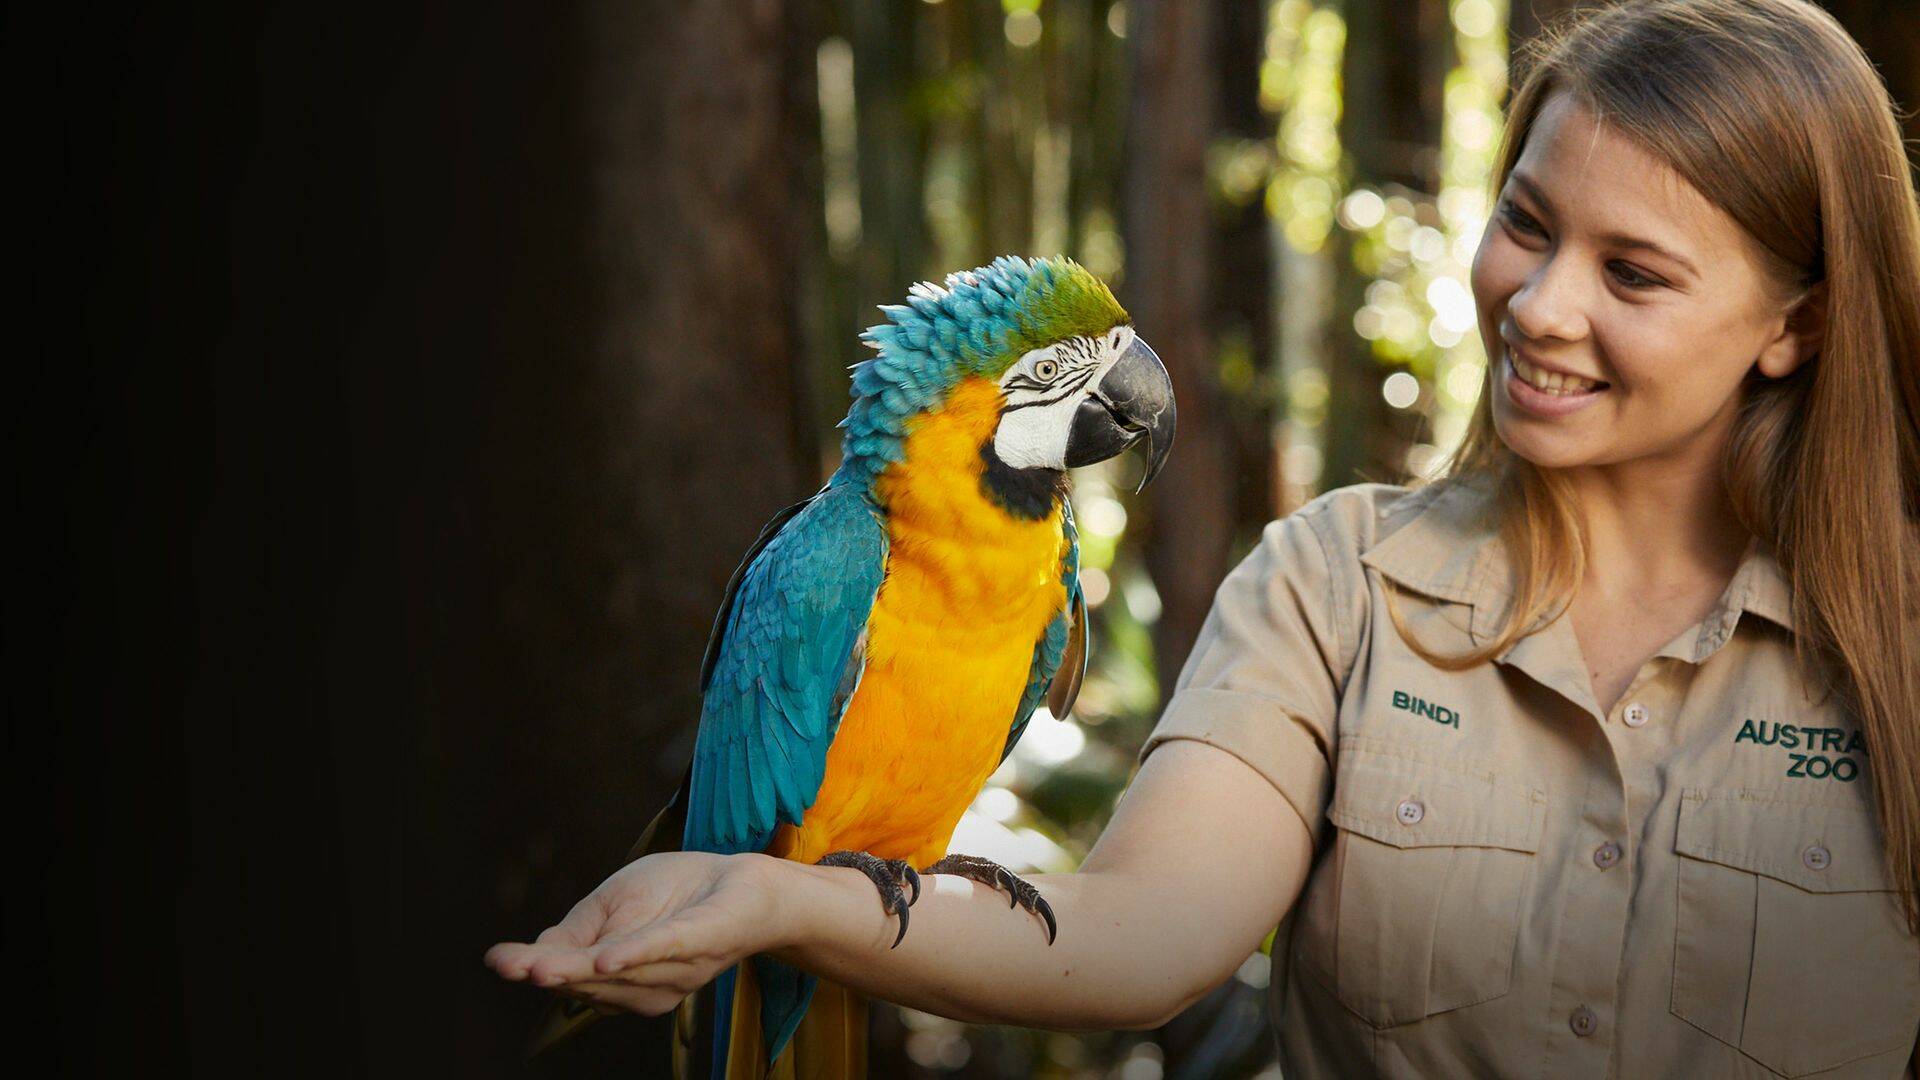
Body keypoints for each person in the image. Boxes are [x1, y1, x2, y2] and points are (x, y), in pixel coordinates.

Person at [487, 0, 1920, 1074]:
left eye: (1635, 271)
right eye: (1526, 225)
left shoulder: (1896, 643)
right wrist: (766, 894)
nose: (1540, 307)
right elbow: (1140, 938)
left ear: (1795, 327)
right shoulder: (1330, 587)